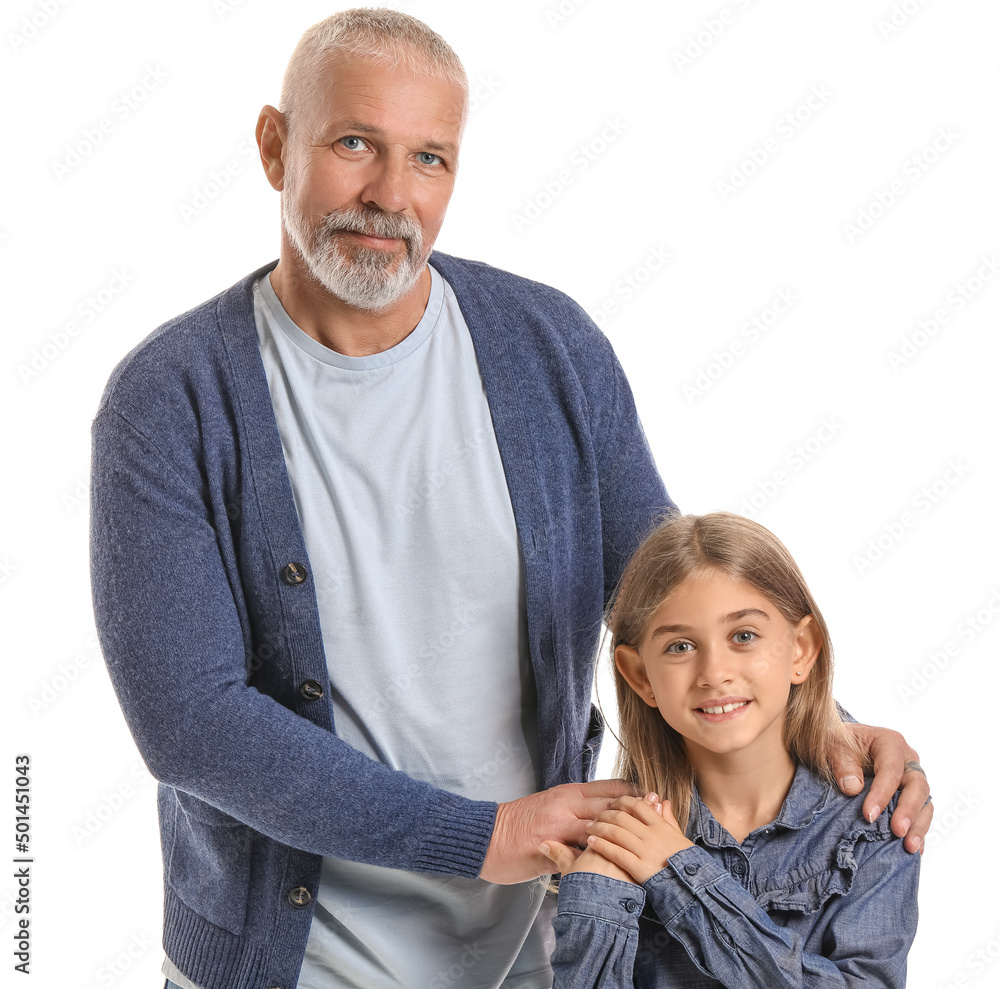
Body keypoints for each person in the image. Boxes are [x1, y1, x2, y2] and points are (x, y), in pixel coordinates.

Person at [88, 9, 930, 989]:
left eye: (430, 158)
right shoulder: (169, 399)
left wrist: (812, 720)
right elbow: (191, 721)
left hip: (539, 948)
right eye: (354, 143)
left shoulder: (548, 346)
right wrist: (480, 835)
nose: (389, 195)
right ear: (275, 146)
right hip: (289, 957)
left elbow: (666, 591)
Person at [542, 512, 920, 987]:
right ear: (640, 677)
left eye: (743, 636)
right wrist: (596, 896)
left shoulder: (870, 823)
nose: (714, 673)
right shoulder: (617, 838)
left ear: (801, 649)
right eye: (680, 646)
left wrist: (680, 873)